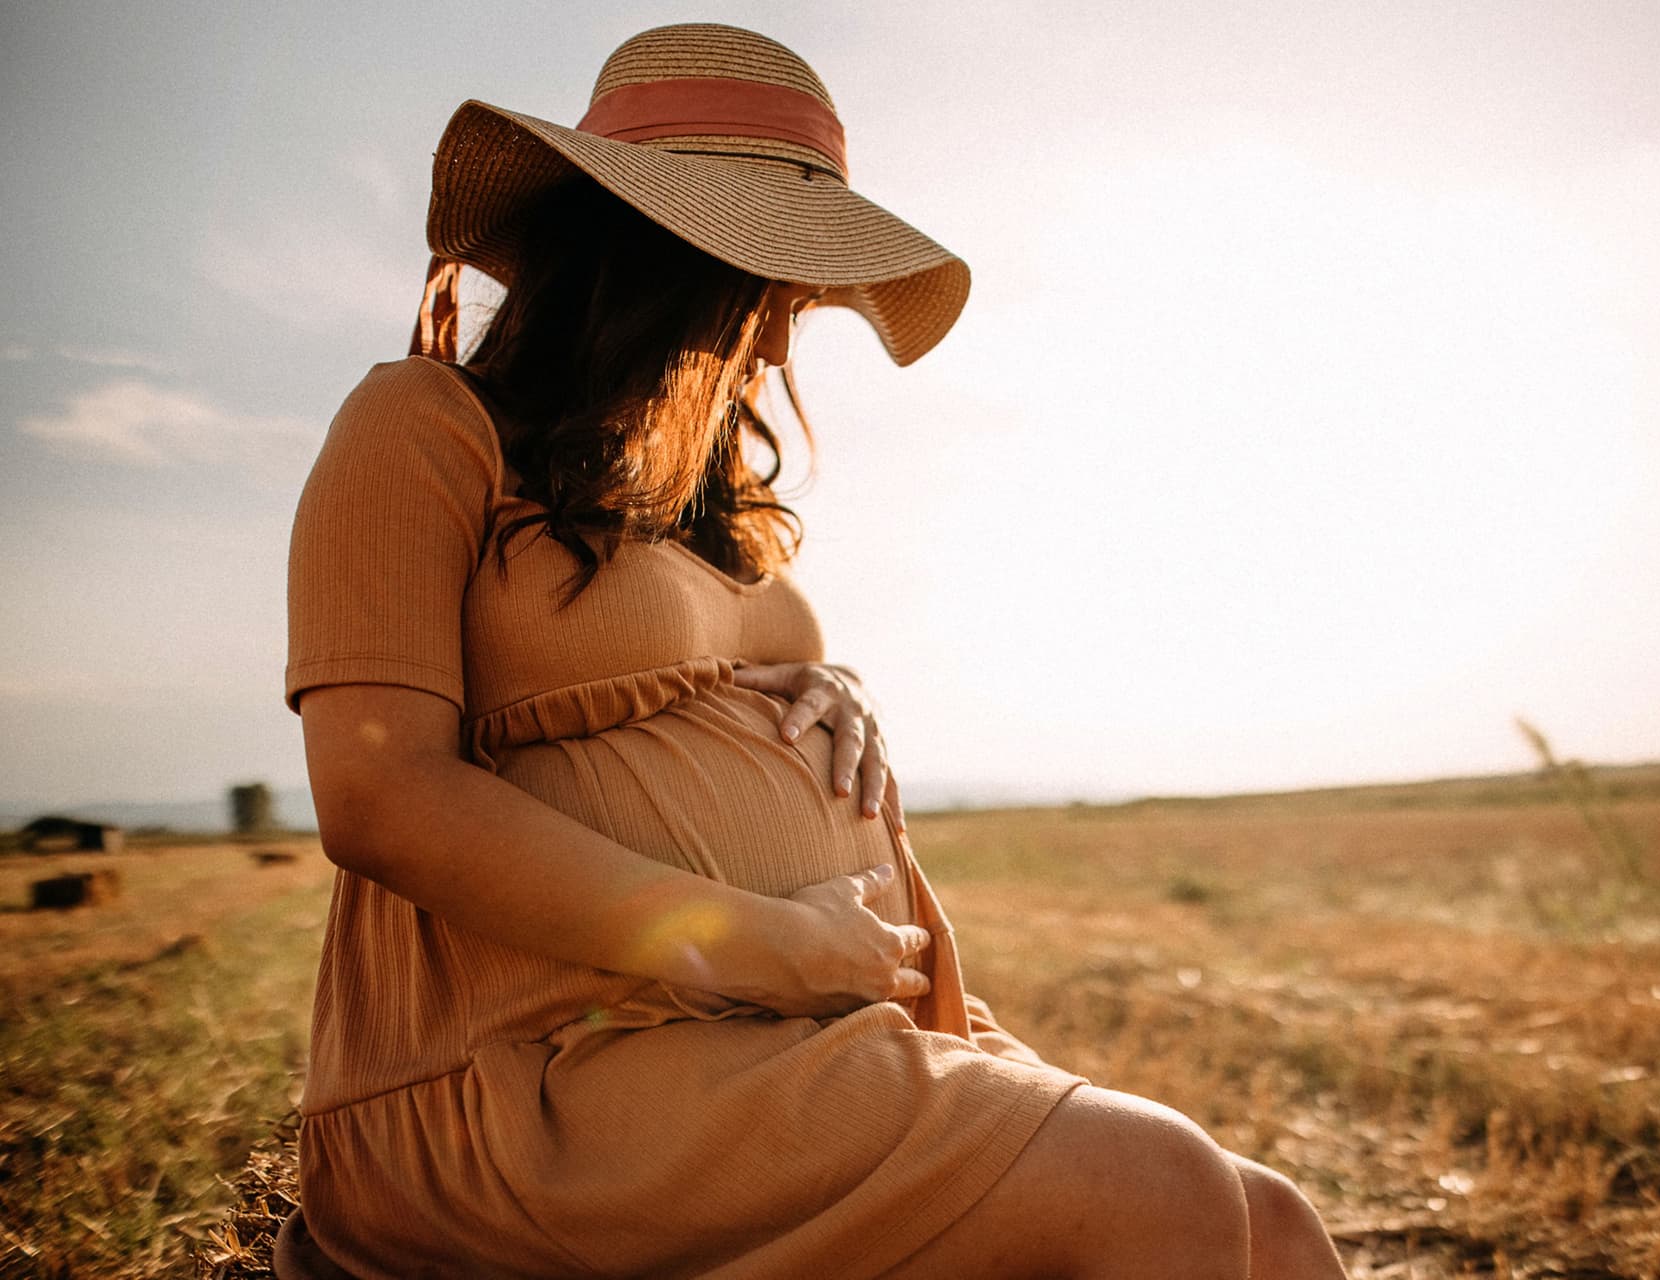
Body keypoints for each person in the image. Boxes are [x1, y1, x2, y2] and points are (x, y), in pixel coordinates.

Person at [277, 23, 1345, 1280]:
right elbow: (380, 793)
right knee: (1152, 1181)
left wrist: (825, 692)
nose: (780, 341)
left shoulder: (708, 506)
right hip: (546, 1065)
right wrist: (758, 940)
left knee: (1268, 1218)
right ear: (644, 258)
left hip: (799, 1023)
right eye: (763, 285)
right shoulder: (420, 423)